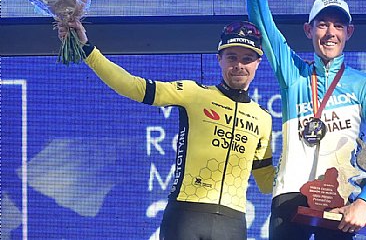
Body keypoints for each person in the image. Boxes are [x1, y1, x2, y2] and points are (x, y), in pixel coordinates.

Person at [58, 20, 275, 240]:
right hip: (185, 216)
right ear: (219, 59)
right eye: (232, 57)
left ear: (258, 62)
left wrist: (298, 166)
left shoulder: (263, 118)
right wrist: (87, 49)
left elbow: (266, 183)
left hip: (233, 223)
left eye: (247, 59)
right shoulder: (194, 93)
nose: (239, 65)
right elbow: (132, 86)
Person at [244, 0, 366, 239]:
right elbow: (261, 19)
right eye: (323, 24)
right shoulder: (294, 74)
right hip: (290, 198)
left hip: (340, 202)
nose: (330, 32)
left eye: (338, 25)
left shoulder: (364, 85)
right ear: (309, 29)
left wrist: (365, 201)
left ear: (348, 32)